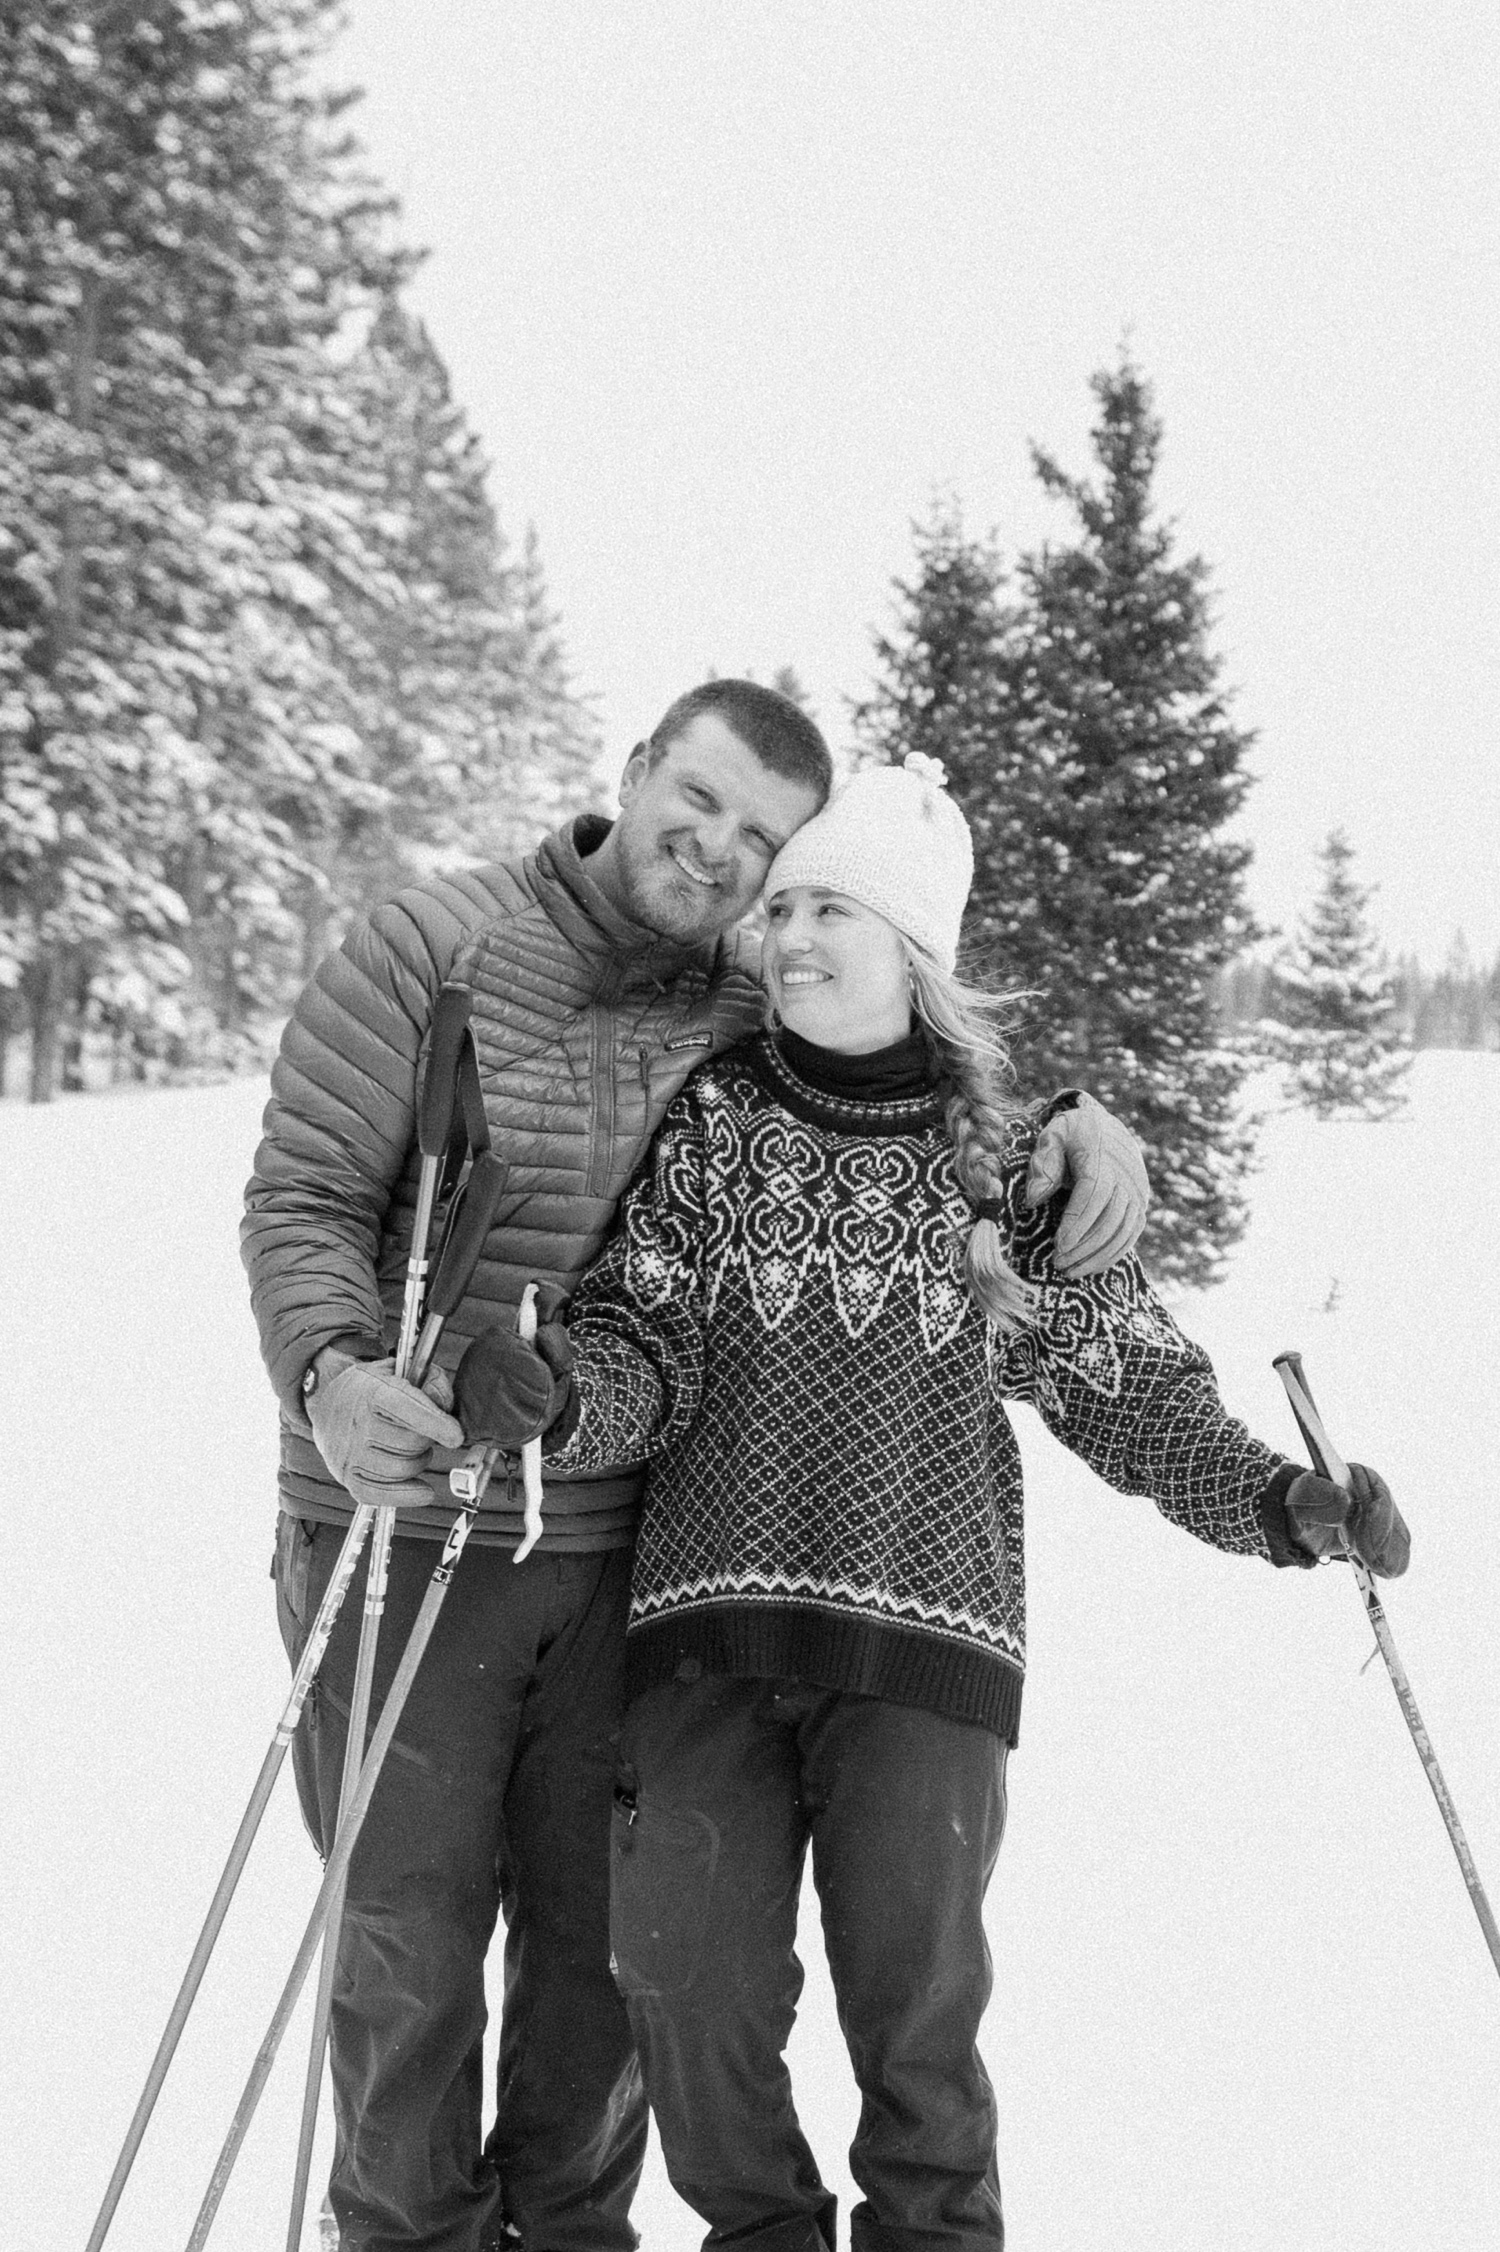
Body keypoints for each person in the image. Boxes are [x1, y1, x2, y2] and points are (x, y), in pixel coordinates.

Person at [241, 682, 1153, 2252]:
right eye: (702, 803)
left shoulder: (747, 1000)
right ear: (635, 770)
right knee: (409, 1943)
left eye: (765, 842)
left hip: (623, 1551)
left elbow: (905, 1045)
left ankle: (573, 2234)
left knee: (604, 1971)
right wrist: (330, 1373)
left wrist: (1076, 1127)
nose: (725, 854)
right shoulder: (423, 947)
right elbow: (305, 1198)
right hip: (405, 1521)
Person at [472, 752, 1411, 2252]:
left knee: (917, 2035)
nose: (789, 937)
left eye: (830, 908)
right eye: (781, 909)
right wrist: (563, 1398)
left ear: (914, 946)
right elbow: (642, 1339)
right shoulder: (718, 1120)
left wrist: (1279, 1499)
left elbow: (1129, 1386)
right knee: (684, 1986)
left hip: (926, 1655)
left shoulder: (1006, 1167)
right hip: (709, 1639)